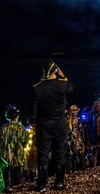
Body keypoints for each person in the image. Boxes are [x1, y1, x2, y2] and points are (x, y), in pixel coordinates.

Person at [30, 59, 73, 191]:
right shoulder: (63, 85)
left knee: (43, 156)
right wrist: (64, 76)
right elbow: (71, 89)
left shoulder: (37, 87)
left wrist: (32, 124)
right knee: (60, 154)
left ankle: (42, 184)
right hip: (59, 125)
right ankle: (59, 182)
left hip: (44, 126)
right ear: (56, 70)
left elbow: (34, 111)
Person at [0, 105, 29, 193]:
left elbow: (0, 140)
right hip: (17, 153)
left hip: (6, 153)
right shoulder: (21, 128)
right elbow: (25, 141)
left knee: (6, 170)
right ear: (17, 117)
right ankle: (16, 185)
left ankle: (6, 186)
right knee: (17, 169)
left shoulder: (3, 128)